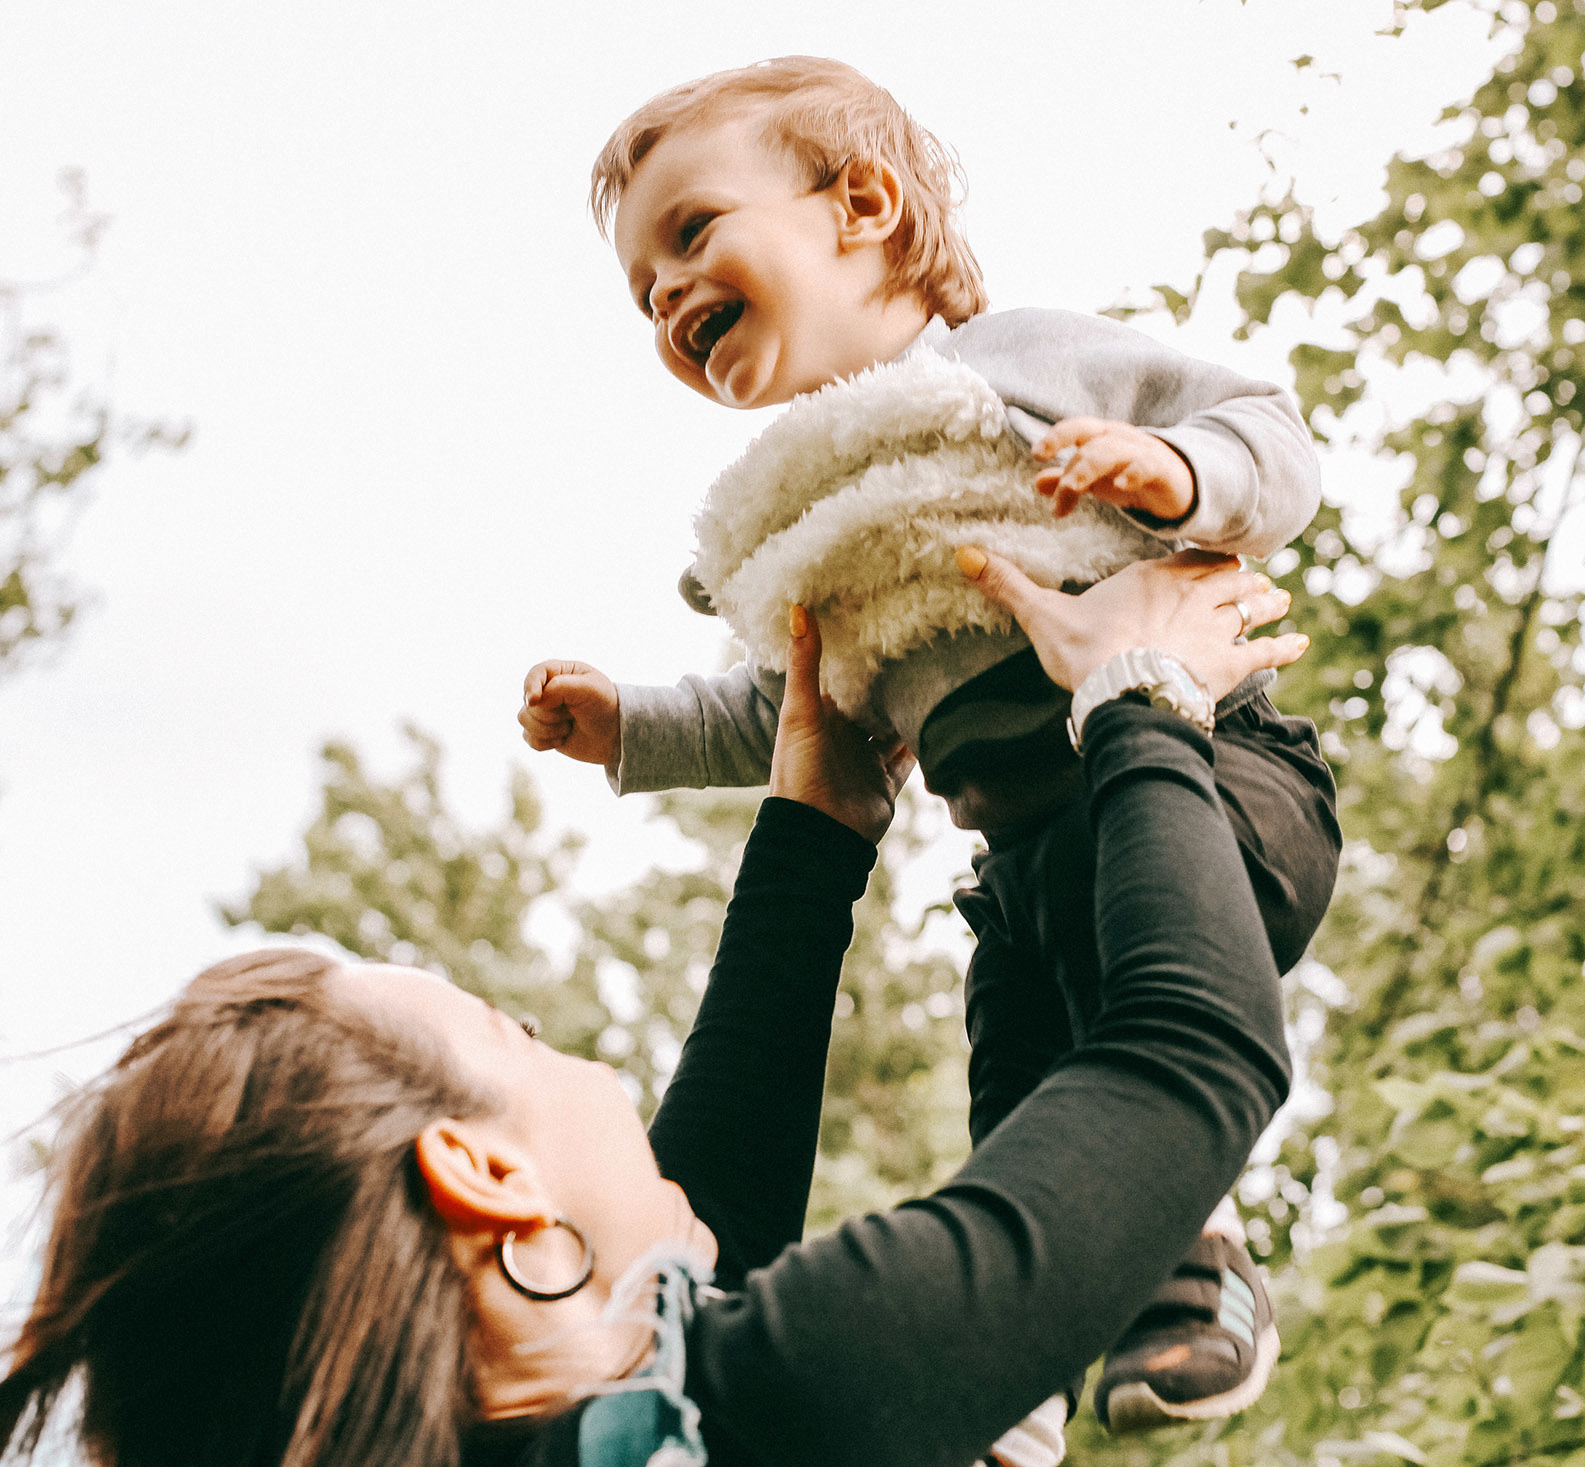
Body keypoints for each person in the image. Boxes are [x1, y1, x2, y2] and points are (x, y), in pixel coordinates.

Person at [0, 550, 1307, 1467]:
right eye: (507, 1033)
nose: (559, 1049)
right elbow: (1186, 1062)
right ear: (484, 1172)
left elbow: (707, 1253)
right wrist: (1137, 693)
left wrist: (819, 829)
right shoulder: (792, 1409)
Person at [516, 57, 1339, 1427]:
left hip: (1220, 774)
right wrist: (629, 730)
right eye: (642, 291)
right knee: (1025, 1119)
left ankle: (1194, 1277)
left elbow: (1271, 428)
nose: (665, 296)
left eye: (693, 232)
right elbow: (792, 716)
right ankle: (1019, 1394)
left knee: (1126, 1049)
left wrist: (1178, 476)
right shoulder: (807, 515)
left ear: (865, 207)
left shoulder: (1016, 361)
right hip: (1021, 867)